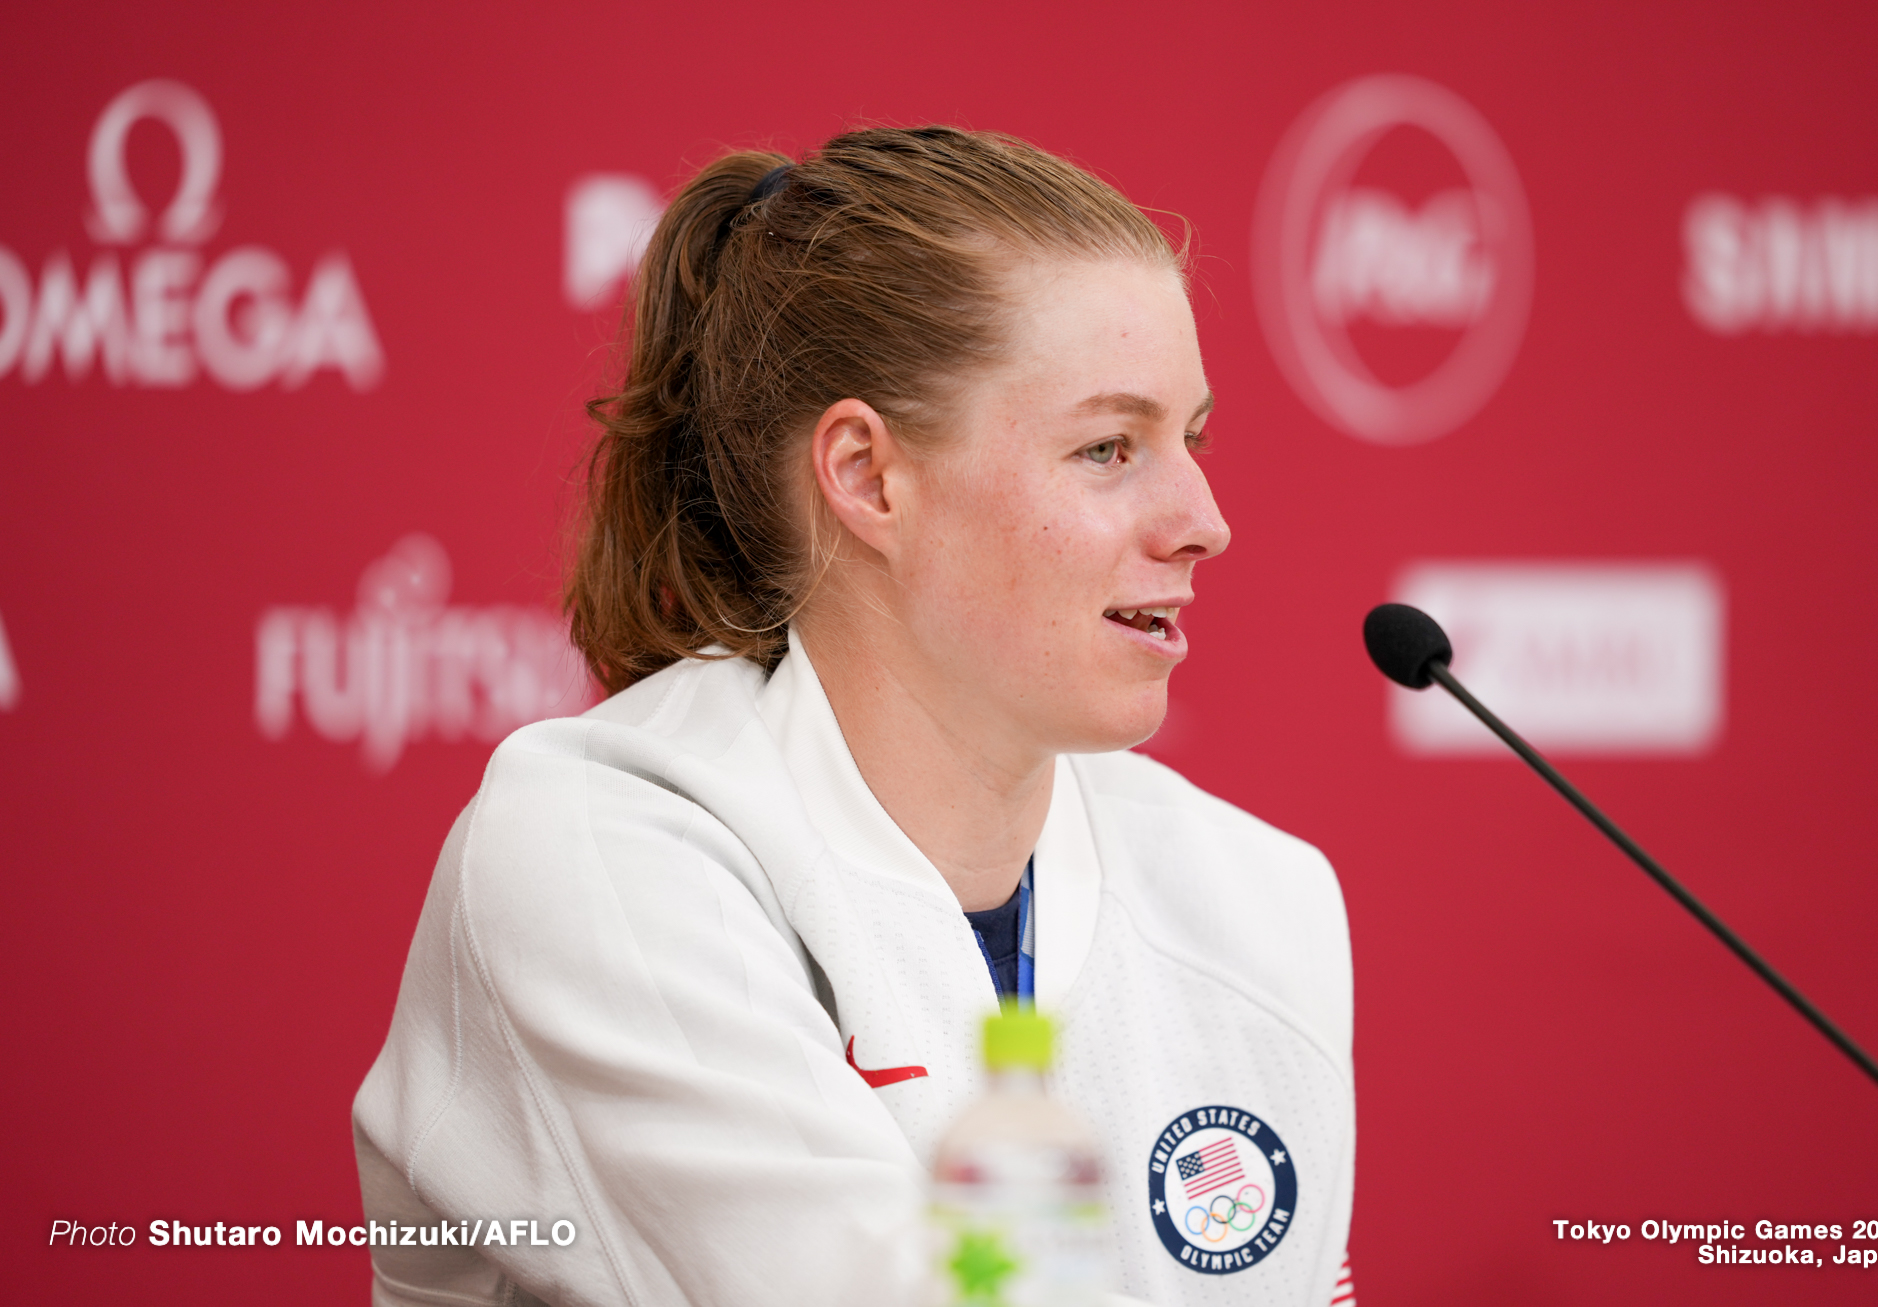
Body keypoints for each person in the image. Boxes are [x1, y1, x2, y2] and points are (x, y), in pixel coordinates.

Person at [353, 126, 1354, 1307]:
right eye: (1107, 446)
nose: (1202, 518)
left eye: (1188, 439)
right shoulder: (596, 851)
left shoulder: (1262, 900)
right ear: (870, 477)